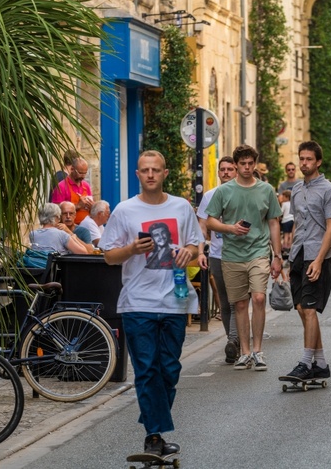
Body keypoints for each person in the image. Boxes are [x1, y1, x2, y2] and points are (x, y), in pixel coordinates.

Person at [100, 150, 203, 457]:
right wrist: (131, 248)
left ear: (165, 173)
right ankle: (154, 437)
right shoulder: (124, 210)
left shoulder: (181, 207)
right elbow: (108, 256)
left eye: (156, 170)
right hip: (137, 302)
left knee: (169, 369)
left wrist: (190, 251)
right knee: (146, 370)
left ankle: (152, 418)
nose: (150, 175)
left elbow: (197, 246)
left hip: (175, 300)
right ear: (137, 174)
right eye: (145, 170)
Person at [205, 145, 283, 371]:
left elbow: (273, 223)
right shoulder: (224, 191)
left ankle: (258, 351)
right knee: (239, 303)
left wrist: (277, 256)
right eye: (243, 164)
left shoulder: (266, 190)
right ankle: (245, 352)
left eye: (251, 164)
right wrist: (230, 229)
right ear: (237, 165)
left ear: (254, 164)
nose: (247, 168)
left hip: (259, 252)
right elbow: (210, 221)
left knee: (258, 298)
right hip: (232, 254)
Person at [283, 141, 331, 380]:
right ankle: (320, 363)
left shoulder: (329, 190)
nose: (304, 163)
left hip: (317, 256)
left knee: (309, 309)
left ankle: (306, 363)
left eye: (309, 159)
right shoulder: (297, 189)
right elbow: (298, 223)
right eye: (301, 159)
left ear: (318, 162)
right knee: (301, 308)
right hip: (298, 254)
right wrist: (290, 257)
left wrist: (319, 260)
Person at [196, 157, 240, 364]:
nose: (226, 173)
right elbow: (202, 225)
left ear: (236, 170)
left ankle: (234, 341)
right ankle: (233, 341)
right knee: (224, 301)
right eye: (222, 169)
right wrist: (200, 251)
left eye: (230, 169)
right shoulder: (210, 196)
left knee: (236, 301)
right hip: (217, 254)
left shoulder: (243, 193)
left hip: (241, 255)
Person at [51, 156, 94, 224]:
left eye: (84, 173)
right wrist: (78, 205)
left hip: (87, 226)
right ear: (72, 169)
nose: (82, 176)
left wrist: (92, 207)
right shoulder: (61, 187)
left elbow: (92, 210)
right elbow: (55, 210)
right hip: (69, 228)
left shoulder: (86, 186)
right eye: (80, 173)